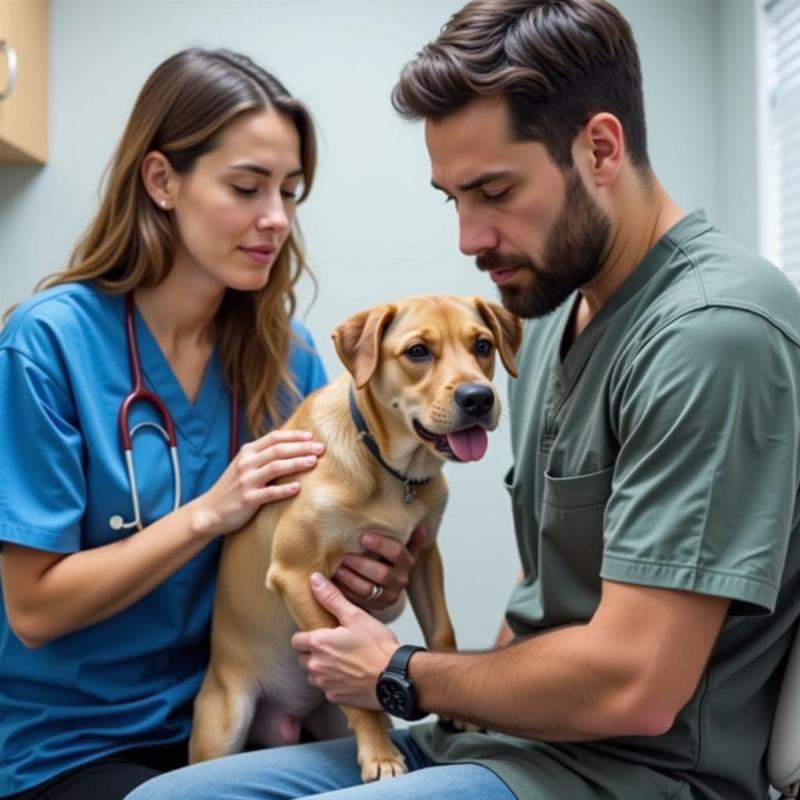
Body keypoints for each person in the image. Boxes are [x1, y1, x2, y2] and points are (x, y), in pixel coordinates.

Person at [125, 2, 800, 799]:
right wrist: (448, 698)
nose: (469, 238)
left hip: (630, 772)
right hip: (506, 738)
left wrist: (403, 671)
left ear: (601, 149)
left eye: (493, 190)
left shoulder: (710, 336)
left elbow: (637, 686)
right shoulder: (548, 319)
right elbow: (546, 589)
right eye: (454, 198)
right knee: (167, 796)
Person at [0, 48, 421, 800]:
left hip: (247, 713)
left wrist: (375, 582)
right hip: (78, 743)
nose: (276, 220)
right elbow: (33, 609)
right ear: (162, 180)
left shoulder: (286, 360)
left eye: (289, 192)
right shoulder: (48, 344)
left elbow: (314, 573)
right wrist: (208, 514)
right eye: (246, 187)